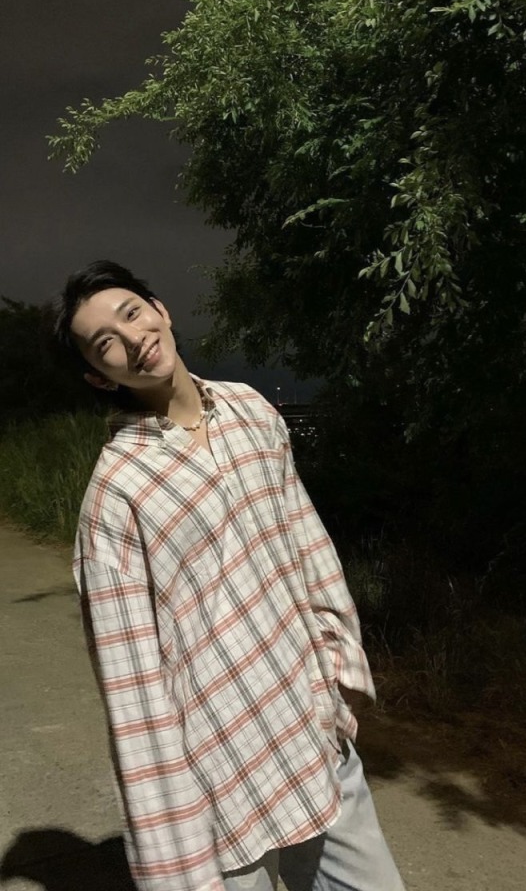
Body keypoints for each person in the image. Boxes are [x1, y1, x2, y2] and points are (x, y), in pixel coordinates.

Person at [51, 260, 405, 891]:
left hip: (310, 731)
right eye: (106, 343)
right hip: (220, 775)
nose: (132, 339)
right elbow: (133, 688)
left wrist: (336, 669)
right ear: (98, 376)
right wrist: (174, 851)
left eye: (132, 314)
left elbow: (306, 544)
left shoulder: (249, 410)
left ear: (160, 309)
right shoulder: (116, 494)